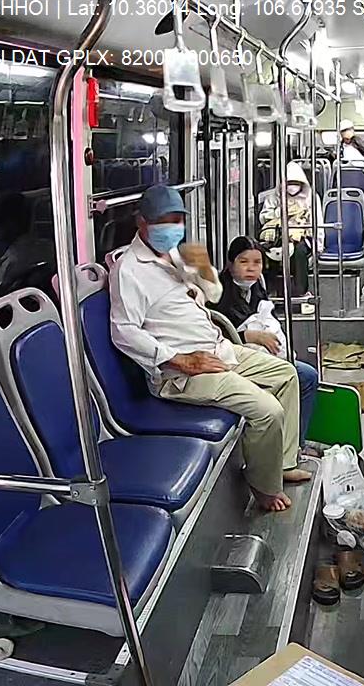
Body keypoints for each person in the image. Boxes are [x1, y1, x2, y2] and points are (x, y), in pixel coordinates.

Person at [109, 185, 311, 513]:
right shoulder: (129, 270)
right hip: (181, 373)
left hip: (217, 349)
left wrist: (201, 269)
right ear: (141, 222)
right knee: (268, 410)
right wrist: (181, 360)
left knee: (287, 375)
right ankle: (263, 485)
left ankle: (282, 464)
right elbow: (124, 332)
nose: (173, 227)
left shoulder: (176, 255)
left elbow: (215, 296)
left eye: (178, 220)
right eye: (164, 221)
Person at [215, 235, 319, 441]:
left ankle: (296, 443)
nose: (251, 268)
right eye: (243, 262)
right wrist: (248, 336)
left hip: (263, 356)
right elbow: (213, 336)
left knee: (308, 375)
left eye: (257, 262)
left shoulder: (256, 287)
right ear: (230, 264)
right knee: (301, 377)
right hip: (232, 362)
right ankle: (285, 445)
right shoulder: (217, 293)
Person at [258, 161, 315, 303]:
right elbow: (263, 217)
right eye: (289, 183)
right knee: (268, 252)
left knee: (298, 252)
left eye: (295, 183)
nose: (292, 187)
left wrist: (318, 246)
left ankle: (300, 291)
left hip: (301, 235)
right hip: (277, 234)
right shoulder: (274, 197)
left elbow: (316, 223)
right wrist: (281, 212)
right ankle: (269, 289)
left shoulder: (310, 198)